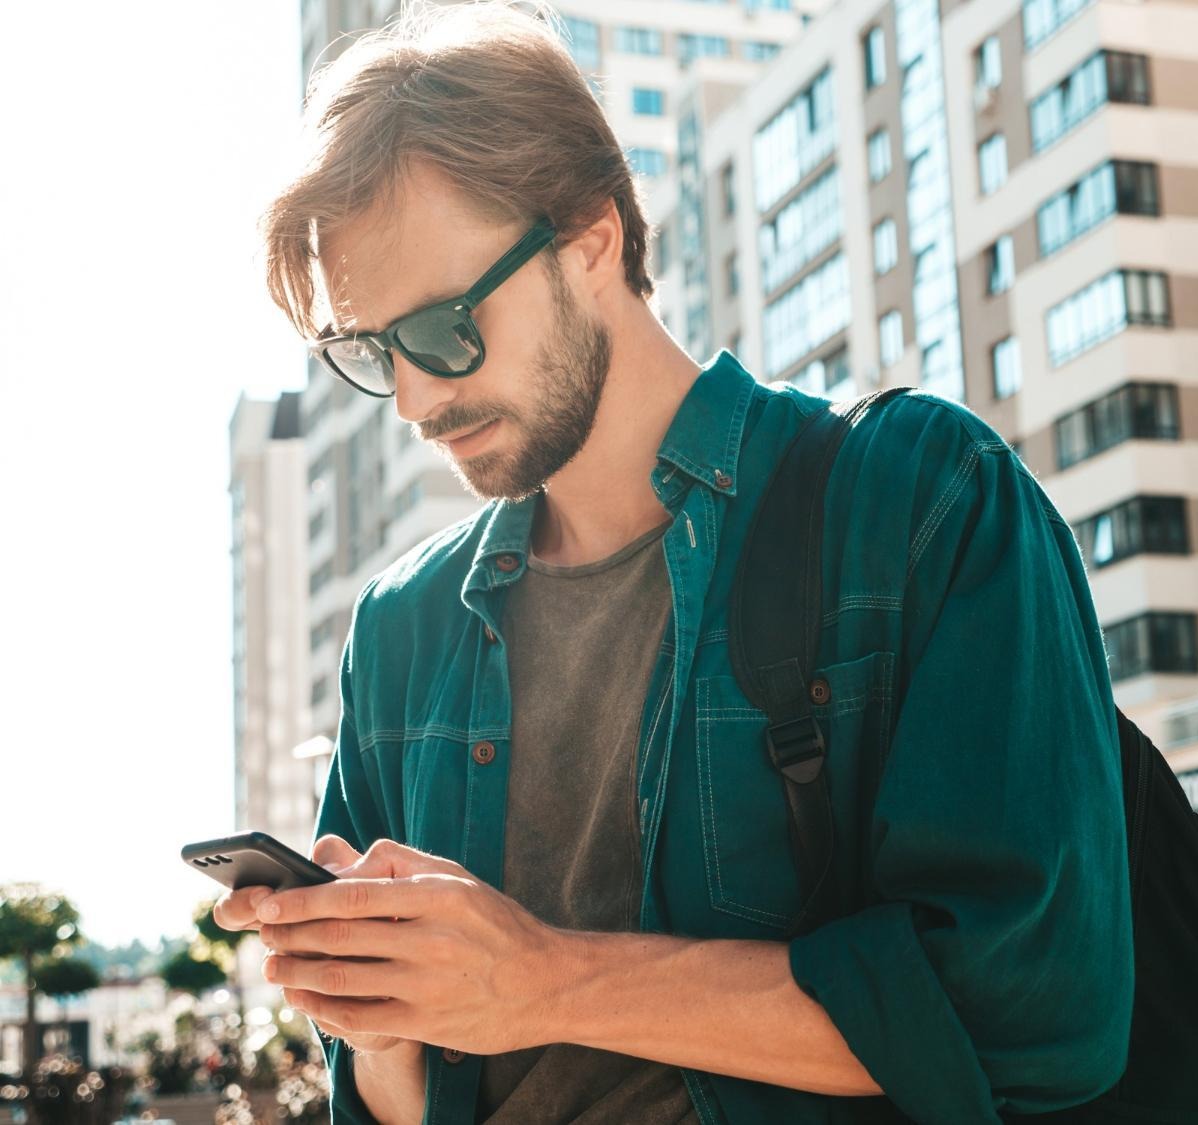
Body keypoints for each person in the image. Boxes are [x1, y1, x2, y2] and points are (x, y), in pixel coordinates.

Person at [212, 3, 1133, 1123]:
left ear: (591, 241)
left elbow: (1033, 1013)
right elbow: (393, 1105)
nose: (412, 398)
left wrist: (539, 979)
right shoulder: (403, 630)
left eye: (443, 331)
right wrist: (382, 1022)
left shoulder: (917, 499)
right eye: (372, 352)